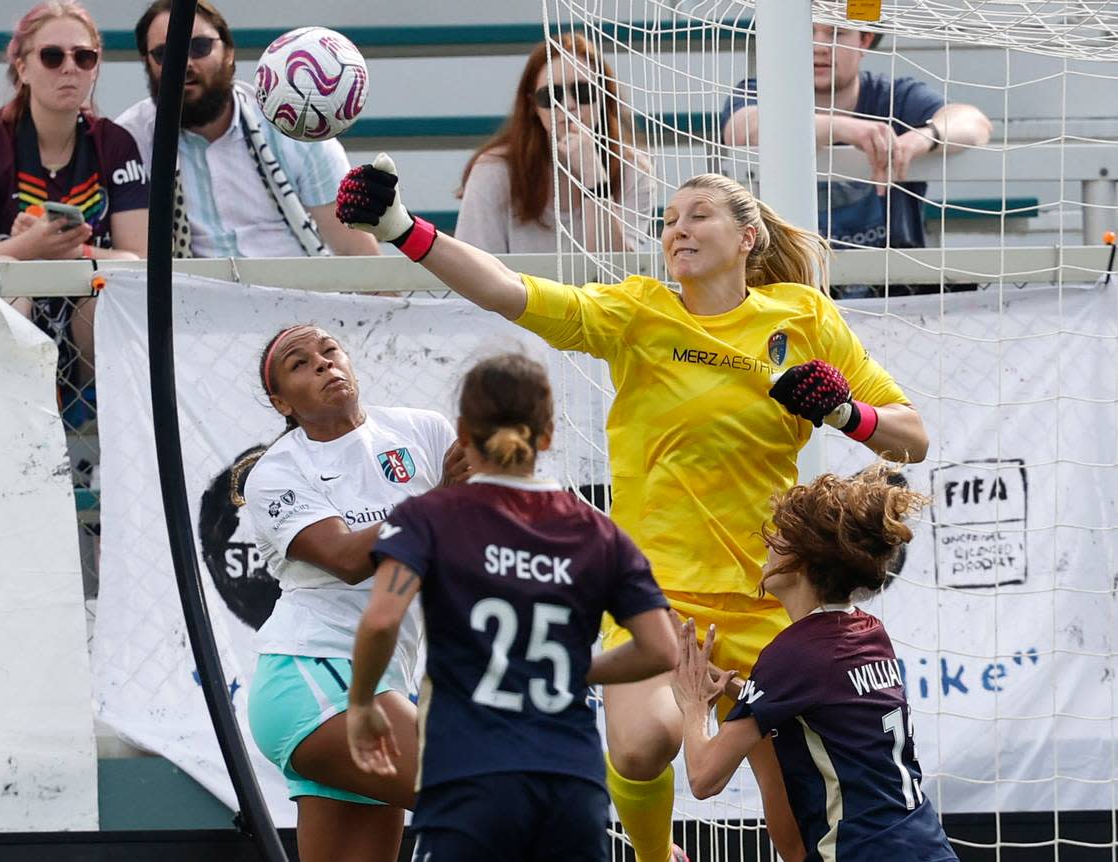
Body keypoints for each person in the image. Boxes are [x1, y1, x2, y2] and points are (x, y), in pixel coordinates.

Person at [336, 155, 930, 862]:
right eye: (668, 219)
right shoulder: (638, 312)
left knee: (794, 833)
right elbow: (507, 290)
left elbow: (912, 437)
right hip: (658, 595)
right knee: (648, 743)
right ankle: (654, 857)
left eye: (698, 215)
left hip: (772, 600)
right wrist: (402, 228)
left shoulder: (803, 318)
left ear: (747, 239)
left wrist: (844, 411)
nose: (677, 229)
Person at [347, 353, 678, 862]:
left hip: (469, 777)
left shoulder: (428, 516)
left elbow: (382, 619)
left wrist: (363, 704)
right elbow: (660, 649)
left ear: (462, 431)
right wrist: (577, 670)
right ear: (547, 434)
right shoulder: (598, 531)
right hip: (572, 780)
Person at [236, 324, 467, 862]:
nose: (322, 364)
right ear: (281, 402)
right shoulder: (276, 473)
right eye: (299, 363)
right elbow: (346, 559)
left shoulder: (422, 430)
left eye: (329, 350)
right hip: (315, 678)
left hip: (382, 681)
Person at [672, 464, 959, 862]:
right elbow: (820, 704)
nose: (766, 547)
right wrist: (739, 689)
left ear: (801, 560)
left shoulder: (793, 654)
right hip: (926, 846)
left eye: (777, 538)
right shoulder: (869, 632)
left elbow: (704, 778)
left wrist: (692, 703)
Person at [0, 0, 149, 424]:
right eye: (52, 56)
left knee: (109, 294)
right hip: (6, 331)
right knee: (9, 281)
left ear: (96, 66)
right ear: (22, 67)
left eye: (83, 56)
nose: (69, 68)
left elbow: (139, 260)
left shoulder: (115, 144)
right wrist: (25, 248)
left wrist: (73, 255)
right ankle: (13, 430)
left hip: (84, 336)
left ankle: (113, 437)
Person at [117, 0, 378, 260]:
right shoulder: (130, 139)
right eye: (165, 53)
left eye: (199, 47)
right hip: (192, 298)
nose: (184, 63)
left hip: (298, 293)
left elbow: (354, 249)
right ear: (147, 63)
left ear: (229, 51)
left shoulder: (290, 121)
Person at [721, 23, 992, 254]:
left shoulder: (894, 95)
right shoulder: (761, 91)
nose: (819, 47)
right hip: (792, 286)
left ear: (865, 40)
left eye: (837, 33)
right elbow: (740, 128)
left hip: (892, 289)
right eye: (806, 32)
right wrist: (845, 129)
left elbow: (974, 122)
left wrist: (920, 138)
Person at [455, 32, 655, 253]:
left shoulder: (633, 169)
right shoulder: (494, 169)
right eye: (550, 96)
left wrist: (594, 180)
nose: (568, 105)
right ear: (532, 105)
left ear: (604, 95)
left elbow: (617, 275)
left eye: (583, 91)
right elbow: (475, 268)